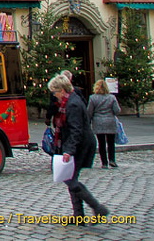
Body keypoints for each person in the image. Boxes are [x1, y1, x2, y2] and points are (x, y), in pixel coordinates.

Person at [48, 72, 108, 222]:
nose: (54, 95)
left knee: (70, 179)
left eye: (55, 92)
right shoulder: (70, 101)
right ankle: (79, 215)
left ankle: (97, 208)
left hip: (81, 144)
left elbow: (76, 130)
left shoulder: (73, 104)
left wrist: (69, 151)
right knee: (70, 178)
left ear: (62, 90)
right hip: (77, 143)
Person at [86, 79, 120, 169]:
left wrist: (88, 121)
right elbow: (117, 110)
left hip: (98, 121)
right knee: (111, 142)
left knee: (101, 143)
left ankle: (104, 162)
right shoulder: (111, 97)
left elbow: (89, 111)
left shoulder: (93, 98)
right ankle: (112, 160)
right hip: (110, 121)